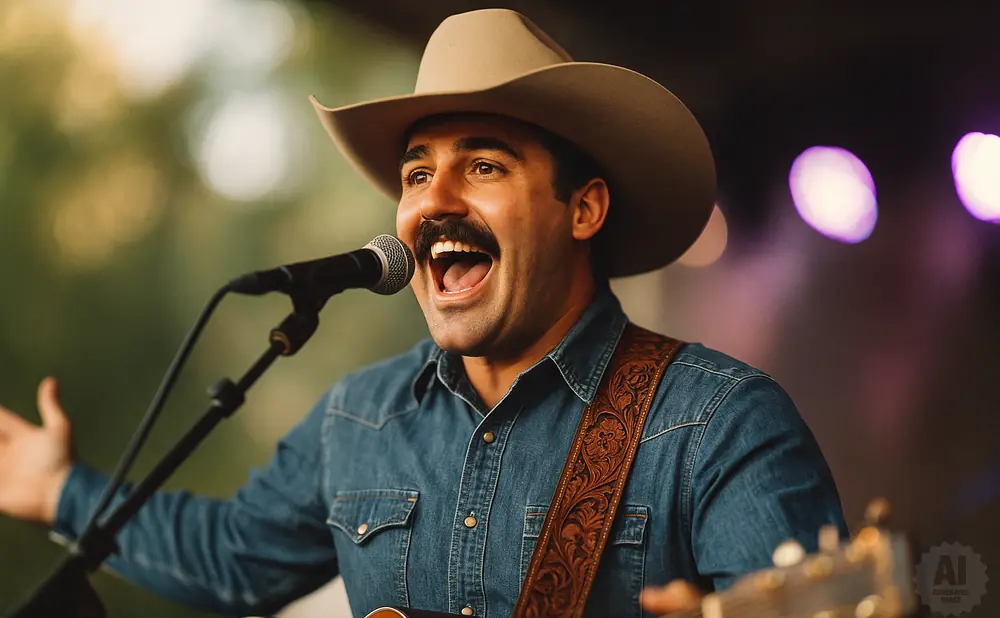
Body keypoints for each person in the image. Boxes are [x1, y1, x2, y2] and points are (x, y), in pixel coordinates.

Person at [0, 9, 847, 618]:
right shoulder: (359, 417)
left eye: (483, 166)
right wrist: (60, 491)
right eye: (415, 173)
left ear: (583, 209)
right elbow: (230, 558)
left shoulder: (720, 424)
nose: (433, 200)